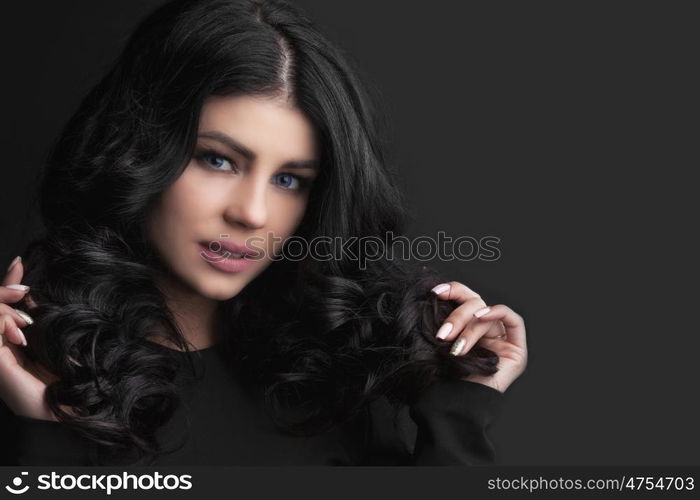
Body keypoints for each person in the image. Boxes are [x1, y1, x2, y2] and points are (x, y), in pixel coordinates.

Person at [0, 0, 527, 465]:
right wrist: (47, 432)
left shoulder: (333, 380)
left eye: (288, 179)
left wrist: (461, 409)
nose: (252, 214)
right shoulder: (33, 367)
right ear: (137, 153)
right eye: (218, 160)